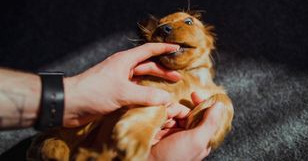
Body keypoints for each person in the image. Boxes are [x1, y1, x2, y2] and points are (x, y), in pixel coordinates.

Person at [0, 43, 225, 160]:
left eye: (188, 20)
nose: (167, 29)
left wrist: (69, 96)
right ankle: (61, 139)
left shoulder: (214, 93)